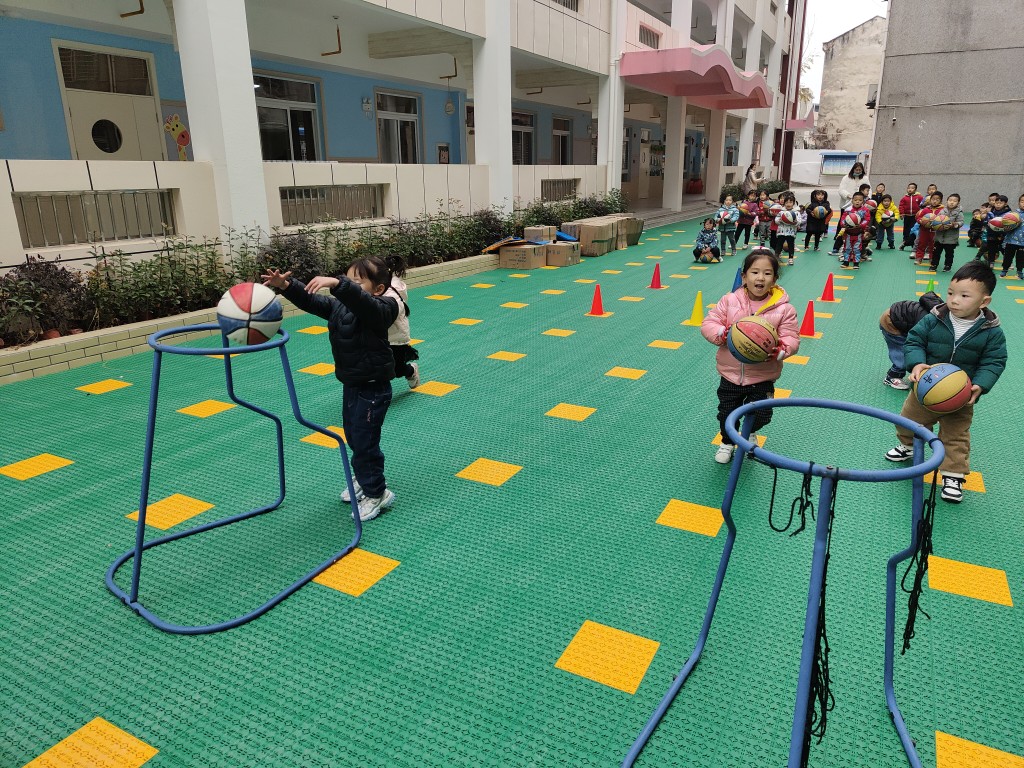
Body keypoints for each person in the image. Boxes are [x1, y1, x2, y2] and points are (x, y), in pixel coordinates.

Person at [261, 258, 399, 521]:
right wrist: (286, 285)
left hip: (374, 387)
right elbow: (312, 301)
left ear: (378, 289)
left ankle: (377, 493)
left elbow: (365, 304)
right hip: (352, 384)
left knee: (365, 441)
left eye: (357, 282)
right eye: (347, 278)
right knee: (353, 436)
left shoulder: (384, 307)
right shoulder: (340, 306)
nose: (350, 285)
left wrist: (338, 284)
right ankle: (364, 479)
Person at [885, 262, 1007, 503]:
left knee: (956, 437)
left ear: (984, 302)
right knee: (908, 421)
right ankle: (908, 446)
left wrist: (980, 385)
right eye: (951, 293)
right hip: (924, 390)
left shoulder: (992, 332)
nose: (954, 300)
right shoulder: (934, 319)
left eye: (964, 295)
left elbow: (994, 361)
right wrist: (917, 363)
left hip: (960, 398)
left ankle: (953, 475)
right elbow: (914, 341)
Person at [701, 248, 799, 464]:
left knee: (762, 414)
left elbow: (791, 337)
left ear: (775, 279)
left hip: (762, 377)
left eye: (767, 273)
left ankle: (750, 430)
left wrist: (782, 349)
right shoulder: (729, 301)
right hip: (730, 374)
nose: (760, 278)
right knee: (727, 413)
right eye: (755, 272)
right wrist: (723, 333)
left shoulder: (785, 309)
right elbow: (709, 323)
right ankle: (727, 442)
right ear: (744, 277)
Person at [879, 290, 943, 389]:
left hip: (902, 319)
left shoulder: (940, 312)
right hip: (891, 321)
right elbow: (918, 340)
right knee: (903, 351)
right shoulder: (930, 321)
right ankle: (892, 376)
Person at [381, 254, 420, 389]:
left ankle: (411, 370)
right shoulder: (377, 284)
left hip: (395, 336)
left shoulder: (392, 290)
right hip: (380, 335)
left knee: (397, 369)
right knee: (378, 365)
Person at [931, 193, 964, 272]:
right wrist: (933, 223)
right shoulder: (942, 211)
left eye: (954, 201)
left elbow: (961, 222)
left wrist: (954, 224)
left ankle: (947, 266)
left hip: (951, 238)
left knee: (949, 253)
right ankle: (934, 265)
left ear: (958, 203)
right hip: (939, 237)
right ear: (947, 201)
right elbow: (936, 219)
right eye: (950, 200)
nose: (952, 202)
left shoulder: (959, 213)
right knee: (936, 252)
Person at [913, 190, 944, 265]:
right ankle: (919, 257)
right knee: (921, 244)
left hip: (935, 231)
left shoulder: (942, 210)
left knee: (933, 246)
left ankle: (932, 258)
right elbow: (919, 218)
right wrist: (921, 221)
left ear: (941, 201)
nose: (935, 201)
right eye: (933, 199)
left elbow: (943, 219)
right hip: (924, 230)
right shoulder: (926, 209)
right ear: (930, 200)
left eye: (937, 199)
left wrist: (939, 223)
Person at [841, 191, 870, 268]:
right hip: (848, 233)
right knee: (847, 248)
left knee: (857, 248)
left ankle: (856, 263)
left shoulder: (865, 210)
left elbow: (867, 220)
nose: (857, 201)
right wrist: (844, 225)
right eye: (855, 200)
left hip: (858, 234)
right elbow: (843, 219)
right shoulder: (848, 210)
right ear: (852, 200)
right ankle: (846, 262)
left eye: (860, 200)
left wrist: (860, 225)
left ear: (863, 201)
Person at [1000, 193, 1024, 279]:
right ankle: (1004, 270)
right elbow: (1004, 224)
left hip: (1023, 242)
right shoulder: (1013, 214)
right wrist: (1009, 225)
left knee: (1021, 258)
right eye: (1022, 201)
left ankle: (1020, 271)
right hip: (1011, 240)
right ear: (1019, 203)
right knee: (1008, 256)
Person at [984, 194, 1012, 267]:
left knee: (1004, 249)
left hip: (1003, 234)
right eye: (997, 203)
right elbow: (987, 220)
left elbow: (998, 220)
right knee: (991, 248)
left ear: (1005, 204)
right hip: (991, 233)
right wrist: (986, 219)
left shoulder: (1008, 213)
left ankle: (1008, 263)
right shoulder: (991, 210)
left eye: (1000, 203)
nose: (998, 205)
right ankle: (991, 262)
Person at [775, 193, 799, 266]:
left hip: (791, 232)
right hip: (781, 232)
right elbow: (776, 219)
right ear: (784, 203)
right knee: (779, 244)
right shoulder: (781, 212)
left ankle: (790, 258)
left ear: (793, 203)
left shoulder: (796, 212)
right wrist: (778, 220)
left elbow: (799, 221)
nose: (788, 204)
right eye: (787, 202)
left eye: (790, 202)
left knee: (791, 245)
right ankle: (777, 256)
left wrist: (795, 222)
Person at [899, 183, 924, 250]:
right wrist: (901, 213)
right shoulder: (904, 198)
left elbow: (922, 205)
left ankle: (913, 241)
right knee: (906, 228)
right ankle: (905, 239)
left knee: (914, 229)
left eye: (912, 188)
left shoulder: (919, 197)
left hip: (915, 216)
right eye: (909, 188)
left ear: (915, 189)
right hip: (907, 216)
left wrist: (921, 213)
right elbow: (901, 206)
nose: (910, 189)